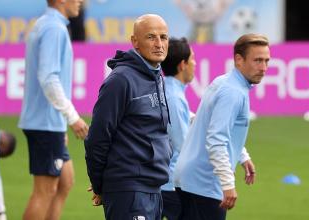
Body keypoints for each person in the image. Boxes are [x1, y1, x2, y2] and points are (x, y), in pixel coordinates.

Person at [173, 33, 270, 220]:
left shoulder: (224, 81)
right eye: (257, 60)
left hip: (189, 178)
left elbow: (214, 126)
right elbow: (216, 140)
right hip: (204, 183)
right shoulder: (233, 92)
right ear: (238, 60)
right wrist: (228, 183)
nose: (264, 67)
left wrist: (242, 155)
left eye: (266, 61)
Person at [84, 14, 171, 220]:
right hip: (130, 190)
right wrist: (99, 184)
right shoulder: (120, 80)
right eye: (151, 37)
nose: (159, 44)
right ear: (135, 42)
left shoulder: (157, 76)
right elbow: (97, 138)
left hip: (154, 188)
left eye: (164, 37)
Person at [18, 0, 88, 220]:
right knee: (45, 191)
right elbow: (49, 79)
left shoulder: (47, 24)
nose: (81, 2)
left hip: (48, 122)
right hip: (44, 123)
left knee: (64, 182)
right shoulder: (53, 28)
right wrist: (72, 117)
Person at [160, 37, 196, 220]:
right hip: (171, 182)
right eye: (192, 59)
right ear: (182, 65)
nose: (195, 64)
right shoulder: (174, 97)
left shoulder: (169, 89)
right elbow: (182, 144)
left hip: (166, 180)